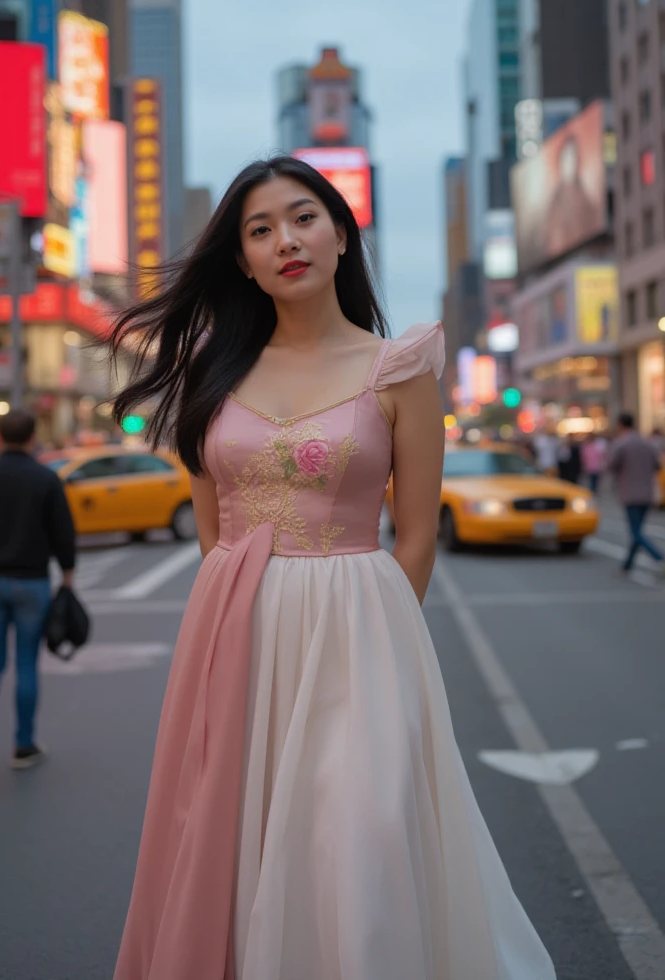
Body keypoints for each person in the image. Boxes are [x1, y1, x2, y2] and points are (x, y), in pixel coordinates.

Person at [109, 156, 556, 980]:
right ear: (241, 260)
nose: (287, 240)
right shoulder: (214, 370)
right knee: (235, 830)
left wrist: (379, 644)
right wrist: (253, 622)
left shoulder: (401, 366)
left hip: (360, 636)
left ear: (342, 235)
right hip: (235, 634)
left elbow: (415, 535)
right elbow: (215, 536)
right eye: (260, 229)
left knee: (357, 835)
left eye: (305, 217)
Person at [0, 410, 76, 788]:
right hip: (31, 583)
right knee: (26, 662)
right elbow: (63, 534)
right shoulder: (46, 479)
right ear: (33, 437)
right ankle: (23, 746)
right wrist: (67, 577)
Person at [608, 411, 664, 575]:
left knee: (636, 532)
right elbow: (658, 466)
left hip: (630, 493)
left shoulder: (621, 444)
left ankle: (659, 557)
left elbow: (611, 465)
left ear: (620, 424)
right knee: (637, 530)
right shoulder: (648, 444)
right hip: (647, 492)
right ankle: (628, 564)